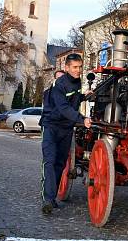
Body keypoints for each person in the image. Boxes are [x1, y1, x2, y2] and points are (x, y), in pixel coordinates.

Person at [40, 54, 91, 215]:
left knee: (60, 164)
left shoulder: (77, 82)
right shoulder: (59, 85)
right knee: (50, 161)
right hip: (51, 126)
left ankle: (52, 197)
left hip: (66, 128)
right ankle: (47, 200)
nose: (78, 70)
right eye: (75, 67)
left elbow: (73, 100)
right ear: (67, 68)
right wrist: (82, 119)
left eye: (80, 67)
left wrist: (85, 96)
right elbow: (63, 108)